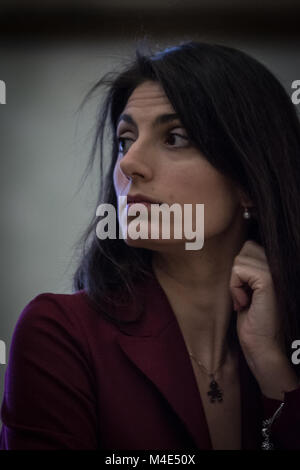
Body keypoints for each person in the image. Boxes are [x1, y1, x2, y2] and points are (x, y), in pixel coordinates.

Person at [1, 39, 300, 450]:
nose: (127, 163)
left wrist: (271, 367)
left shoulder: (287, 344)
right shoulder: (59, 334)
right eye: (125, 140)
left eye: (175, 137)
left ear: (249, 181)